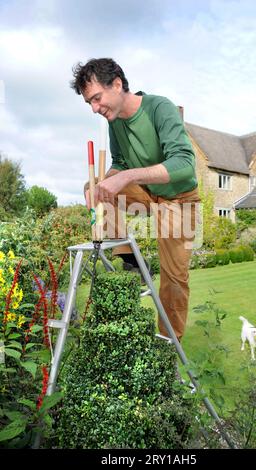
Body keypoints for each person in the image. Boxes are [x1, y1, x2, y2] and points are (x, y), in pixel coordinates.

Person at [71, 58, 199, 341]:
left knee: (174, 280)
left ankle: (168, 347)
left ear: (117, 84)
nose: (94, 109)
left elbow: (185, 164)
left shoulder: (159, 108)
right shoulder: (114, 123)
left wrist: (126, 176)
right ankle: (130, 261)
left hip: (179, 200)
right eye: (89, 103)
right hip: (145, 192)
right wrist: (104, 184)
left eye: (96, 98)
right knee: (95, 185)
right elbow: (118, 164)